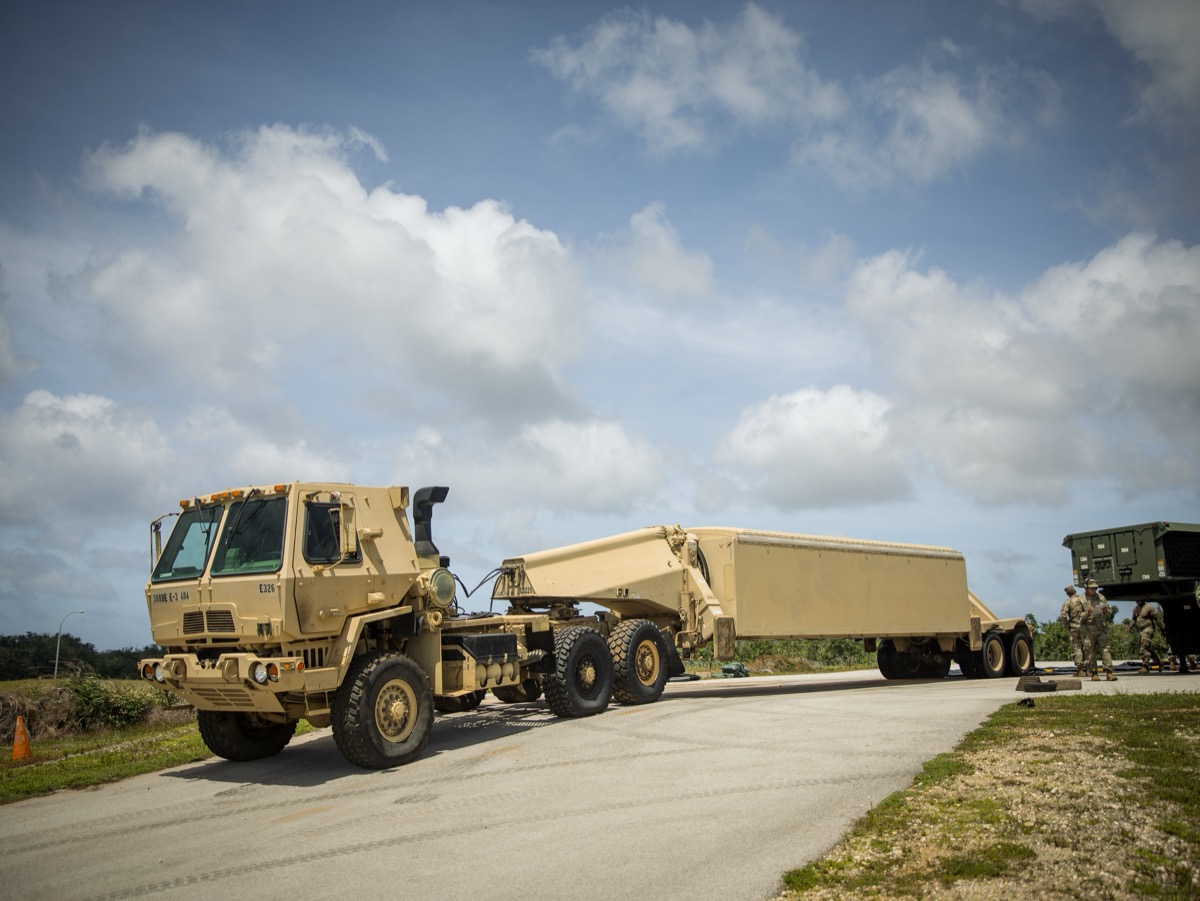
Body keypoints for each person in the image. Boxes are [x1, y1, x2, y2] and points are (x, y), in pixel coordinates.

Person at [1081, 578, 1117, 681]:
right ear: (1086, 588)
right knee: (1090, 651)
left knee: (1106, 649)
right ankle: (1094, 673)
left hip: (1101, 628)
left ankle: (1109, 672)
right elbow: (1078, 617)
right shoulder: (1080, 600)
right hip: (1088, 630)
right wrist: (1087, 613)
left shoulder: (1101, 597)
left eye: (1095, 588)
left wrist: (1106, 611)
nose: (1093, 590)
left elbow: (1109, 612)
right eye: (1091, 588)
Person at [1130, 599, 1166, 674]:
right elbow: (1134, 619)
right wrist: (1129, 627)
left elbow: (1157, 619)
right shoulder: (1135, 608)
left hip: (1148, 629)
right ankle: (1158, 662)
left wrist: (1162, 629)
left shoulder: (1149, 608)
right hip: (1141, 630)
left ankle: (1145, 666)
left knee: (1144, 648)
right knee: (1147, 648)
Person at [1059, 585, 1086, 676]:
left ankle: (1080, 670)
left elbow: (1063, 615)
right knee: (1087, 647)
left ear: (1068, 593)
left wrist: (1067, 625)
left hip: (1074, 627)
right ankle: (1090, 670)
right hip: (1085, 627)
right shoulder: (1083, 600)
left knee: (1077, 647)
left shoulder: (1068, 602)